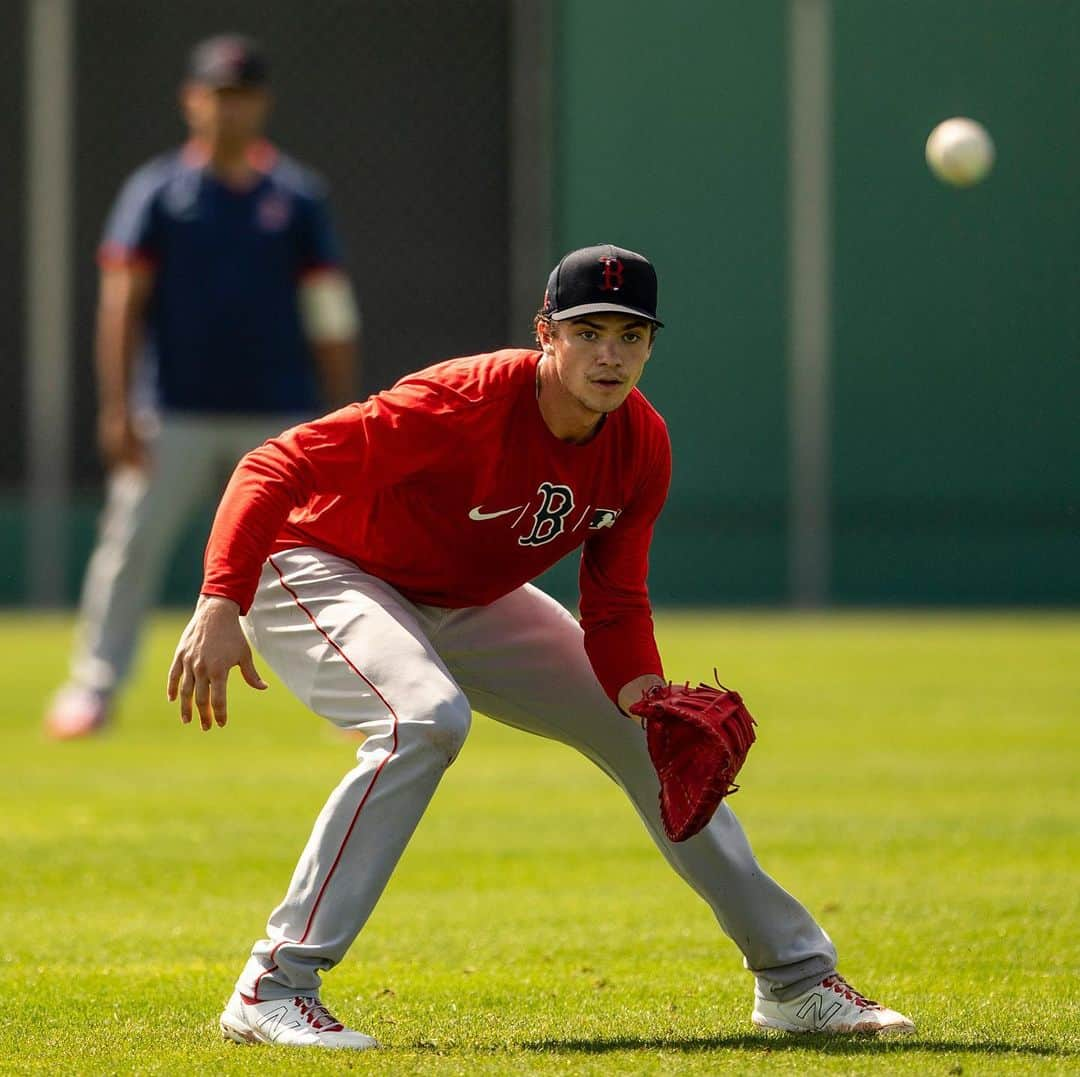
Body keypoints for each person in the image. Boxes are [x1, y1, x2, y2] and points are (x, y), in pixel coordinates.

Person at [168, 245, 915, 1050]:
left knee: (655, 742)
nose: (609, 353)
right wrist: (222, 597)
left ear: (651, 346)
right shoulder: (461, 401)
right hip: (318, 564)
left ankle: (796, 979)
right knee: (424, 719)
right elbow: (272, 463)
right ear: (545, 335)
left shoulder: (639, 444)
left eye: (631, 336)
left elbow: (617, 599)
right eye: (588, 330)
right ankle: (272, 985)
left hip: (463, 597)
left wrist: (643, 693)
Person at [45, 34, 360, 740]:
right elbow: (121, 304)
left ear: (262, 104)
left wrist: (338, 413)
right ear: (192, 101)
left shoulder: (296, 196)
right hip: (174, 410)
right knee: (130, 549)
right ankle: (93, 686)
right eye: (216, 94)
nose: (229, 108)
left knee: (315, 557)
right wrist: (117, 406)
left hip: (278, 416)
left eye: (241, 94)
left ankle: (350, 689)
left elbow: (329, 310)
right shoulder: (158, 192)